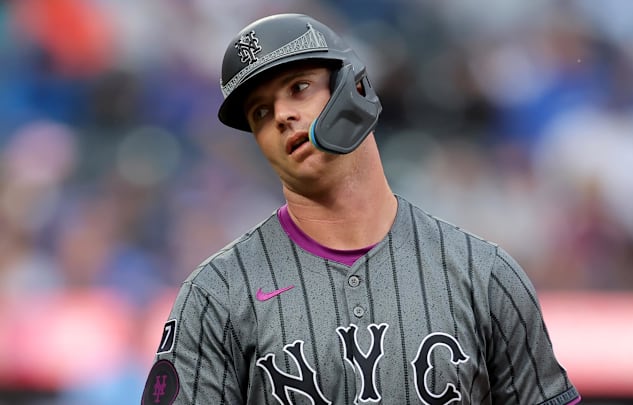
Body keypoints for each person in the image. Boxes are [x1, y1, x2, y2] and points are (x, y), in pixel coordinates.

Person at [141, 13, 581, 405]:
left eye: (299, 88)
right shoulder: (217, 293)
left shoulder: (483, 273)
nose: (281, 117)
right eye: (260, 112)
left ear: (355, 87)